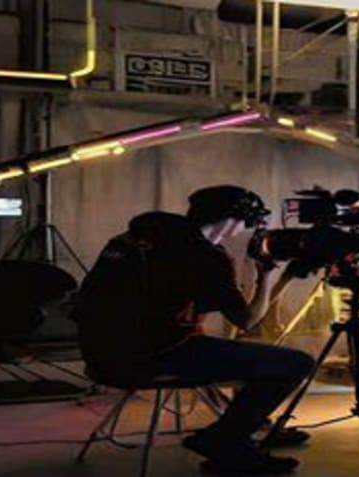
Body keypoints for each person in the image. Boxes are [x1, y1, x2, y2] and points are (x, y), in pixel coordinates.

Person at [74, 185, 316, 474]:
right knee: (294, 363)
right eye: (247, 222)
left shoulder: (134, 239)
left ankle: (241, 431)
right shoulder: (206, 256)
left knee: (243, 356)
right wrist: (267, 276)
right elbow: (248, 320)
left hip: (101, 357)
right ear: (232, 220)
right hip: (155, 357)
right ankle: (226, 440)